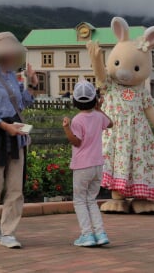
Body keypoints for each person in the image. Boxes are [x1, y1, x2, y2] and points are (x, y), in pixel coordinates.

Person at [0, 32, 38, 249]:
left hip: (17, 135)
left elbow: (21, 104)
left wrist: (32, 85)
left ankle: (9, 232)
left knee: (15, 187)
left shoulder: (12, 75)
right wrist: (5, 127)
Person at [62, 80, 112, 248]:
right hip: (98, 165)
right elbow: (110, 123)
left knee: (80, 201)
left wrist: (67, 128)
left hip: (82, 166)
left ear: (75, 101)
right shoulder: (99, 117)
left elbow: (76, 142)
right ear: (94, 99)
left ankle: (87, 235)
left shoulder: (77, 120)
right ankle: (100, 233)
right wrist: (99, 109)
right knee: (91, 200)